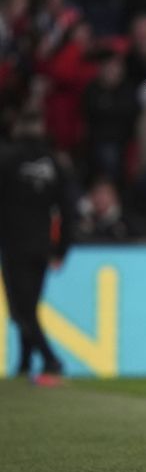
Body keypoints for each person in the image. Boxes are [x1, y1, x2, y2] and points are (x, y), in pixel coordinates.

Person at [0, 114, 76, 385]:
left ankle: (50, 359)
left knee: (21, 310)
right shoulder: (54, 162)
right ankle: (23, 363)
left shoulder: (6, 158)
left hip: (14, 243)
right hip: (42, 245)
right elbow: (68, 209)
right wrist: (62, 248)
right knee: (29, 305)